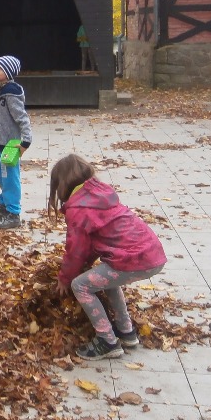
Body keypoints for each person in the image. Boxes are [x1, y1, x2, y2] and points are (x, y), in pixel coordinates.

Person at [50, 153, 167, 360]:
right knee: (106, 279)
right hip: (150, 253)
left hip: (133, 259)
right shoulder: (99, 195)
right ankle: (126, 331)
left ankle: (107, 341)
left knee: (80, 285)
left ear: (62, 183)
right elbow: (92, 243)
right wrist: (86, 264)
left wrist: (65, 278)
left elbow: (76, 250)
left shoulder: (78, 209)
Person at [0, 55, 33, 229]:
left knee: (10, 179)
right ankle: (4, 206)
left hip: (10, 145)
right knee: (2, 177)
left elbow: (22, 117)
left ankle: (13, 213)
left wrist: (26, 141)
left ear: (8, 73)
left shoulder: (11, 92)